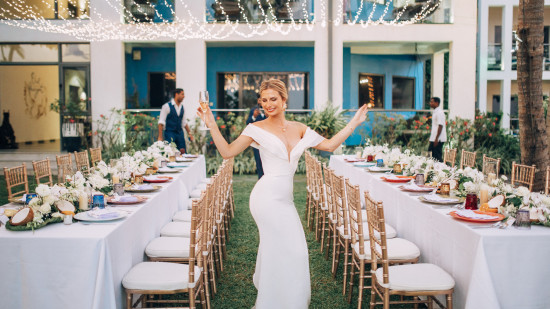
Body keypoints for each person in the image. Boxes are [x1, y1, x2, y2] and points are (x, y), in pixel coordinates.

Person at [197, 79, 368, 309]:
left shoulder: (299, 128)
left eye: (273, 99)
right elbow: (227, 152)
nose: (268, 104)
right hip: (265, 198)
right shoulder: (255, 128)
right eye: (264, 100)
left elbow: (328, 145)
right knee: (288, 250)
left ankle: (287, 301)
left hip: (285, 200)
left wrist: (354, 123)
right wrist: (211, 124)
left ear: (284, 101)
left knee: (292, 252)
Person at [158, 88, 194, 153]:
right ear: (176, 94)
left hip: (180, 133)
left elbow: (184, 123)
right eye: (182, 94)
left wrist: (190, 134)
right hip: (169, 133)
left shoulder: (182, 107)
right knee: (170, 153)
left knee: (182, 152)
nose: (184, 96)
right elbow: (161, 122)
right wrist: (160, 137)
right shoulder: (166, 106)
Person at [246, 102, 266, 178]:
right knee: (258, 162)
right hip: (257, 141)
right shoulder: (253, 110)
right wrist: (254, 116)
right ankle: (260, 180)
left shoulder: (270, 109)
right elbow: (248, 123)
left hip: (267, 141)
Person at [428, 97, 447, 162]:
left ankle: (442, 170)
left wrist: (436, 138)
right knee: (431, 155)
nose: (430, 103)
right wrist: (431, 138)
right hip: (434, 138)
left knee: (437, 157)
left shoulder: (439, 112)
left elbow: (440, 125)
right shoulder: (435, 112)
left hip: (438, 139)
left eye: (432, 102)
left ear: (437, 103)